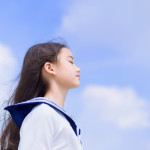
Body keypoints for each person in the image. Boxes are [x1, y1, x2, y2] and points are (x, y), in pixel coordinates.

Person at [0, 41, 83, 150]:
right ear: (50, 68)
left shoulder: (53, 116)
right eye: (70, 61)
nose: (78, 69)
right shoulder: (43, 114)